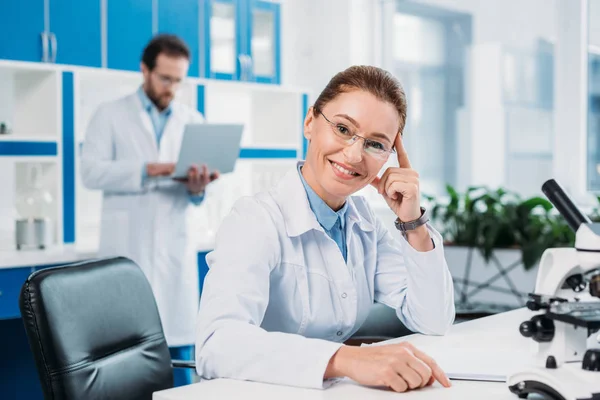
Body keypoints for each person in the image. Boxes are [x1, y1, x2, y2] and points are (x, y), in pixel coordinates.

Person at [194, 65, 455, 392]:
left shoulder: (364, 223)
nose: (354, 154)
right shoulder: (256, 220)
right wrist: (346, 359)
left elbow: (433, 320)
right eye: (343, 129)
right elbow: (217, 345)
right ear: (309, 122)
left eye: (376, 144)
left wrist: (413, 222)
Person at [80, 34, 219, 386]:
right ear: (145, 70)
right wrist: (151, 168)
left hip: (174, 243)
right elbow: (91, 172)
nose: (172, 87)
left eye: (178, 80)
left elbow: (196, 197)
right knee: (121, 353)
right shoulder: (110, 114)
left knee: (179, 346)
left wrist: (197, 188)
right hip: (127, 245)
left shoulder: (193, 119)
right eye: (165, 78)